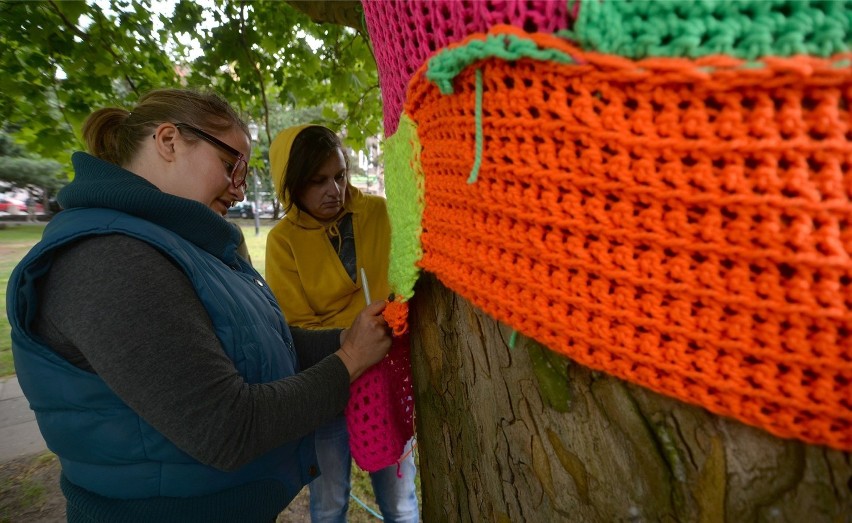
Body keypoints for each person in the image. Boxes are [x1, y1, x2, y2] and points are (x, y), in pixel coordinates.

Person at [5, 89, 394, 522]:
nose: (239, 190)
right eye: (231, 166)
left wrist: (345, 336)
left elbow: (266, 343)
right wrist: (351, 358)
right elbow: (228, 429)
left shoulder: (179, 243)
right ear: (169, 141)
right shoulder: (111, 259)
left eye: (244, 172)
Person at [266, 125, 419, 523]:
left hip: (383, 379)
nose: (332, 189)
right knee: (330, 503)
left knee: (401, 504)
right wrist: (356, 331)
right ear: (292, 185)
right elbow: (294, 327)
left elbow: (402, 284)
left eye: (338, 175)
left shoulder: (377, 213)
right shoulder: (283, 241)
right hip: (327, 385)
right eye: (317, 181)